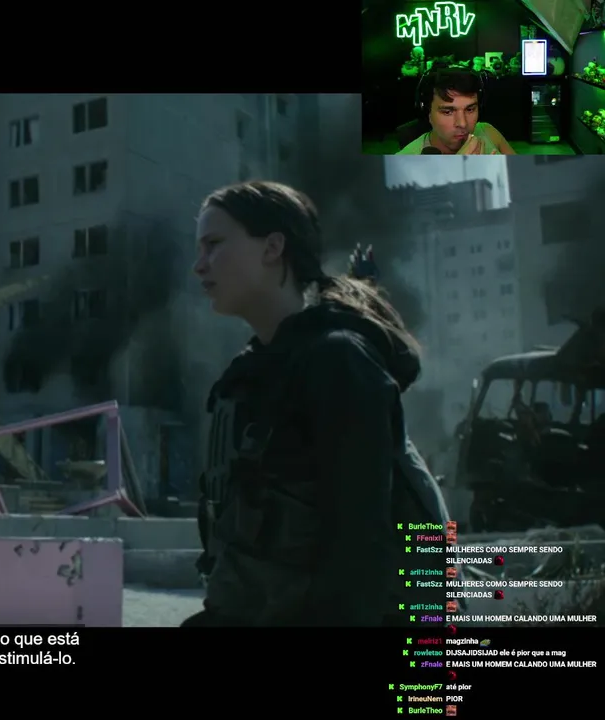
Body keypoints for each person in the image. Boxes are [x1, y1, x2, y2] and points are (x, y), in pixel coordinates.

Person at [185, 180, 448, 627]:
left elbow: (360, 549)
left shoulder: (336, 361)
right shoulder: (251, 376)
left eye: (214, 244)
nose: (199, 265)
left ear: (272, 248)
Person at [396, 68, 516, 155]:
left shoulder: (488, 131)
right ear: (427, 113)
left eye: (470, 109)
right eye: (448, 112)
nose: (462, 124)